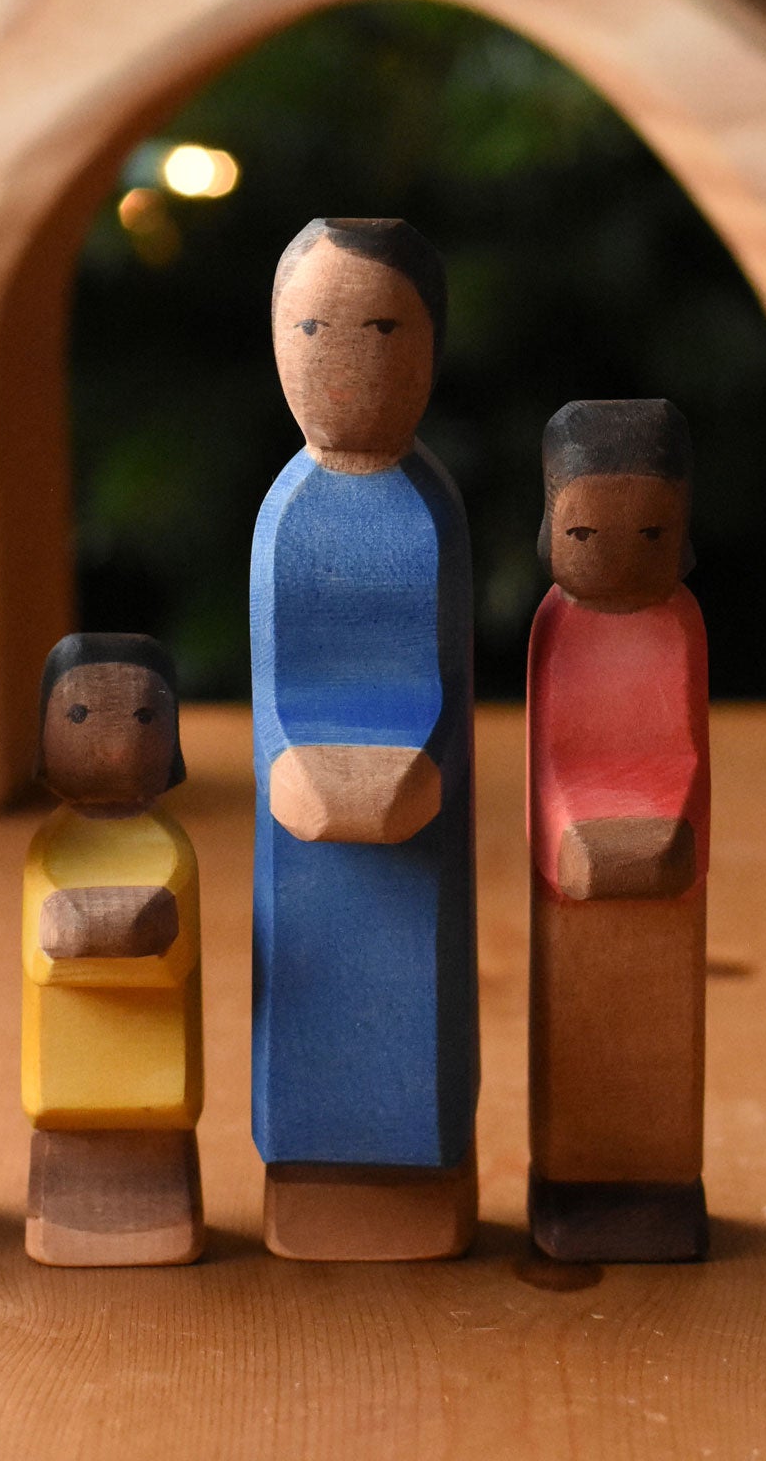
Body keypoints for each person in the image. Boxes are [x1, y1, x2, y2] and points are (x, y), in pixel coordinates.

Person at [250, 216, 478, 1260]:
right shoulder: (288, 508)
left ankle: (418, 1184)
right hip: (302, 832)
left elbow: (439, 676)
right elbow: (278, 675)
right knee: (309, 1013)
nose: (344, 357)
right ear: (278, 341)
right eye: (313, 328)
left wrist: (421, 759)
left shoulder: (427, 508)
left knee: (412, 1006)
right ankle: (309, 1181)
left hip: (413, 818)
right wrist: (289, 760)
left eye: (382, 329)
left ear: (429, 346)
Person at [526, 397, 710, 1261]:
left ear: (682, 531)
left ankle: (661, 1188)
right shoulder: (557, 626)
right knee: (581, 1048)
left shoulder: (679, 623)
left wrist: (673, 827)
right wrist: (569, 833)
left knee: (658, 1050)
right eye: (587, 533)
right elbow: (553, 756)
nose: (620, 552)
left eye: (651, 532)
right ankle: (573, 1185)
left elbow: (683, 747)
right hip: (574, 870)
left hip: (668, 863)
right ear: (551, 530)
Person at [22, 632, 204, 1265]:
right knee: (67, 1124)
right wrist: (94, 929)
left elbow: (175, 946)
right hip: (69, 1057)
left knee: (158, 1128)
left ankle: (167, 1216)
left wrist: (125, 929)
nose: (118, 739)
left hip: (154, 1056)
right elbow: (44, 946)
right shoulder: (51, 846)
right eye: (79, 714)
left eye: (144, 716)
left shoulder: (170, 845)